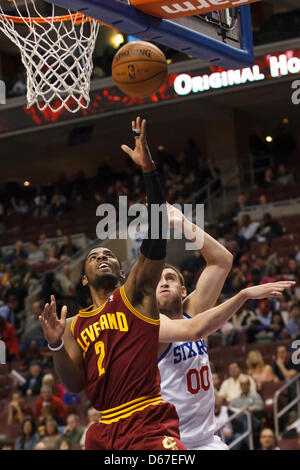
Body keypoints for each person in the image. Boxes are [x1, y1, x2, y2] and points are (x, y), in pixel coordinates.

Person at [39, 116, 186, 451]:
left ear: (123, 272)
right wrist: (55, 345)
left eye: (109, 254)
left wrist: (149, 169)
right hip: (104, 430)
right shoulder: (73, 325)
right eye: (93, 257)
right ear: (84, 276)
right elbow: (75, 384)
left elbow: (157, 237)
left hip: (148, 420)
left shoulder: (135, 294)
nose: (101, 257)